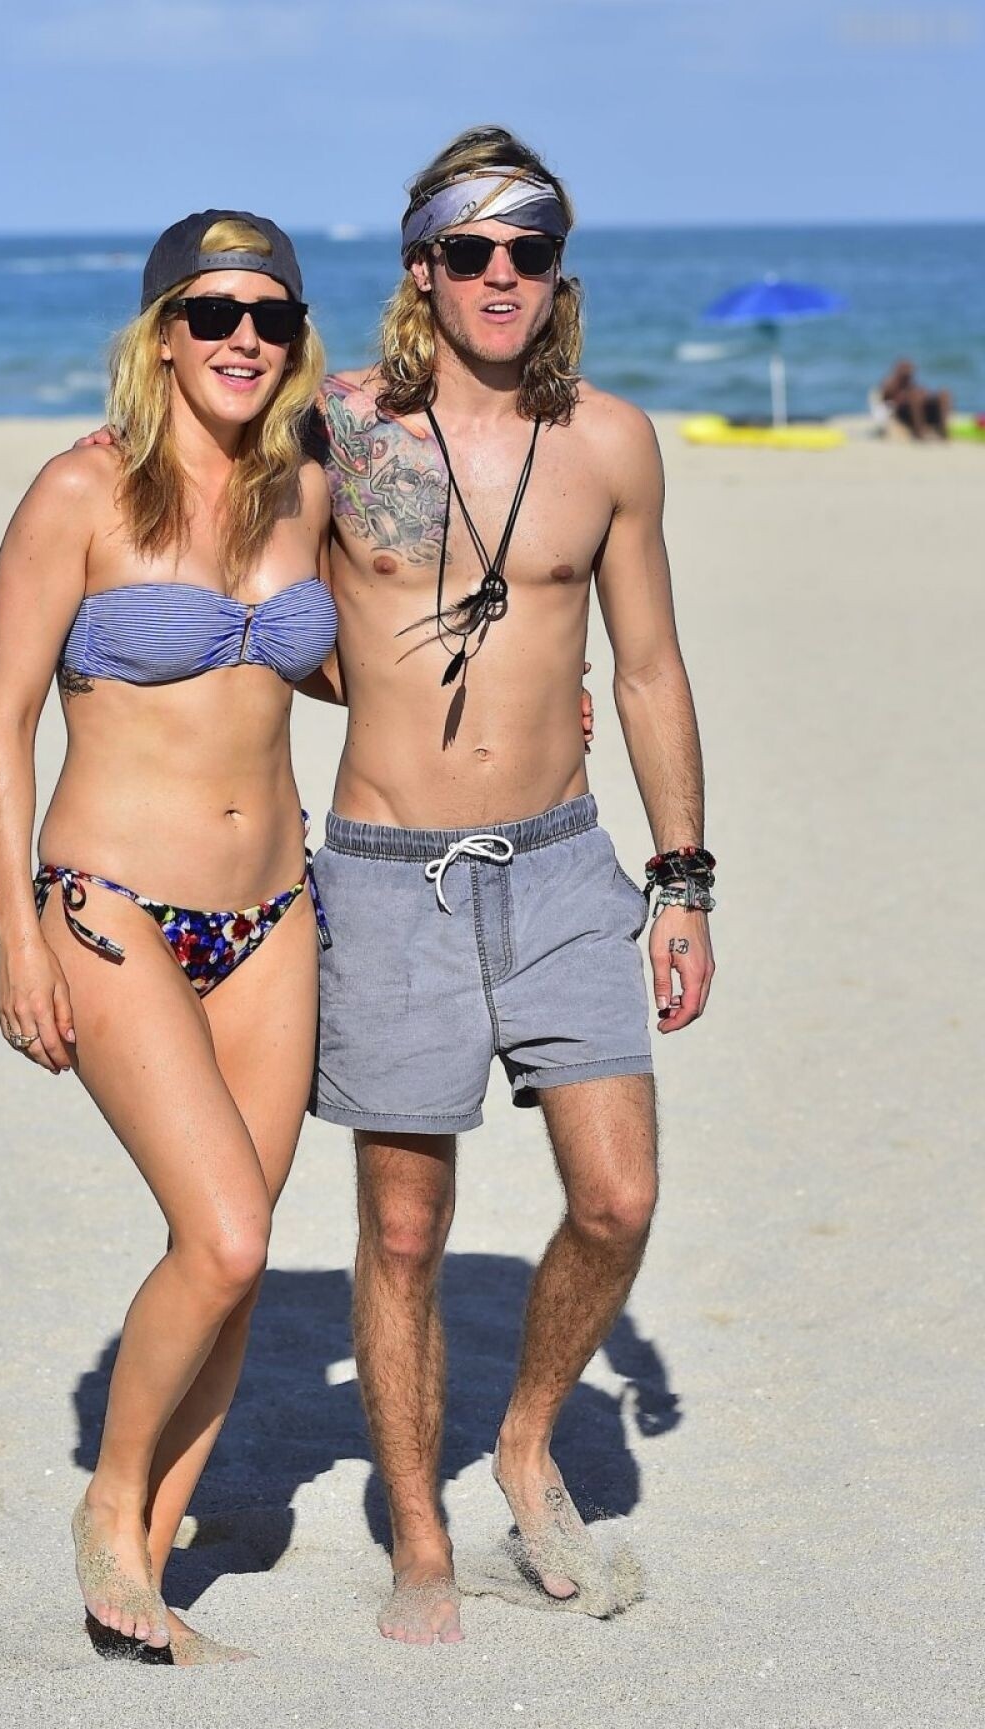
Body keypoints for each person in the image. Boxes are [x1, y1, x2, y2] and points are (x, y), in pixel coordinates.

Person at [305, 125, 715, 1645]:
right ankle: (419, 1533)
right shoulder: (334, 427)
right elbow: (249, 604)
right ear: (421, 265)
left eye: (527, 250)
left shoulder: (608, 441)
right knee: (406, 1233)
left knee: (617, 1197)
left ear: (557, 271)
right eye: (469, 250)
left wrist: (683, 878)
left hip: (558, 866)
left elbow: (649, 668)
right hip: (387, 875)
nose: (499, 275)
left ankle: (527, 1435)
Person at [0, 210, 336, 1665]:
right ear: (161, 334)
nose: (243, 337)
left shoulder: (304, 488)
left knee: (235, 1259)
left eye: (270, 316)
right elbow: (1, 720)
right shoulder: (80, 489)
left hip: (276, 914)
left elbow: (328, 665)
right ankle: (110, 1506)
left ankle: (148, 1590)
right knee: (227, 1233)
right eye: (212, 312)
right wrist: (15, 934)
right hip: (111, 904)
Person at [879, 358, 953, 439]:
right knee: (915, 397)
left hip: (923, 411)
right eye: (905, 369)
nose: (908, 373)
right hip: (905, 414)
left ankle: (942, 428)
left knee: (944, 394)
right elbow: (884, 403)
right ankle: (919, 431)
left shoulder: (911, 385)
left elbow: (922, 393)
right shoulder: (891, 384)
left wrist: (924, 394)